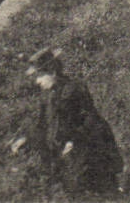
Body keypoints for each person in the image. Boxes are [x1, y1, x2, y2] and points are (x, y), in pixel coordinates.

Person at [11, 47, 123, 198]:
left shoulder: (74, 89)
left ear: (52, 72)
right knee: (64, 187)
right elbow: (42, 123)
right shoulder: (47, 95)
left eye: (40, 76)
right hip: (64, 149)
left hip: (88, 146)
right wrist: (25, 138)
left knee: (94, 188)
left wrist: (74, 141)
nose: (37, 81)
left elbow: (89, 119)